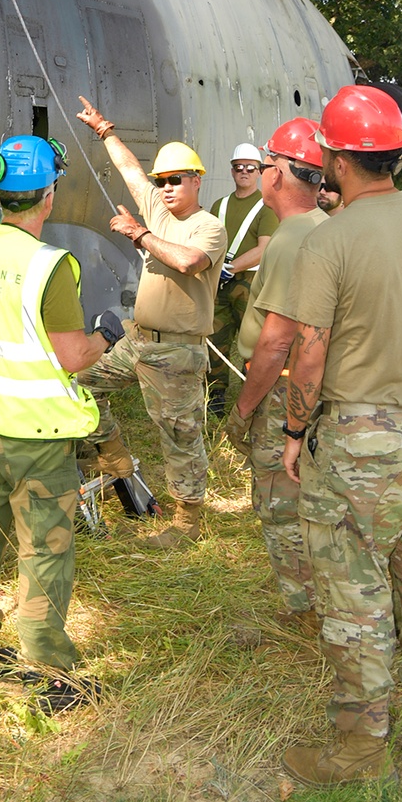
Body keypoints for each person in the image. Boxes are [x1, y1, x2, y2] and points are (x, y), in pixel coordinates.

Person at [280, 84, 402, 788]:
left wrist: (297, 430)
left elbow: (311, 348)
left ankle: (358, 751)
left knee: (357, 600)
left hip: (362, 442)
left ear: (336, 156)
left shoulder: (331, 240)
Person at [0, 135, 113, 711]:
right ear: (48, 195)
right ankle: (51, 675)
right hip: (36, 434)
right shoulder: (48, 267)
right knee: (44, 547)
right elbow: (72, 356)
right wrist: (110, 333)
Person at [76, 98, 228, 547]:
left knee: (179, 436)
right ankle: (114, 457)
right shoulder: (159, 209)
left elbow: (188, 262)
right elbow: (131, 174)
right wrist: (105, 131)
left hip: (178, 350)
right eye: (162, 181)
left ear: (196, 181)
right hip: (136, 340)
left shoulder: (208, 227)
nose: (164, 188)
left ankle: (186, 524)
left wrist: (139, 234)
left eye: (175, 180)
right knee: (79, 385)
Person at [223, 119, 325, 626]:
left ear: (279, 174)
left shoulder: (288, 239)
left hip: (283, 392)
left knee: (279, 504)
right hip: (313, 391)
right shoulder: (327, 227)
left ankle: (303, 610)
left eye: (264, 166)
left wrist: (243, 408)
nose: (259, 174)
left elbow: (277, 341)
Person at [206, 143, 278, 417]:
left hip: (249, 282)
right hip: (219, 282)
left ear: (259, 171)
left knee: (252, 342)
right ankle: (216, 396)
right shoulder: (220, 205)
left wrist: (231, 267)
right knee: (216, 338)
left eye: (250, 167)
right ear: (232, 171)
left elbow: (264, 248)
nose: (244, 172)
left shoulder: (266, 206)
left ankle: (255, 396)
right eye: (239, 167)